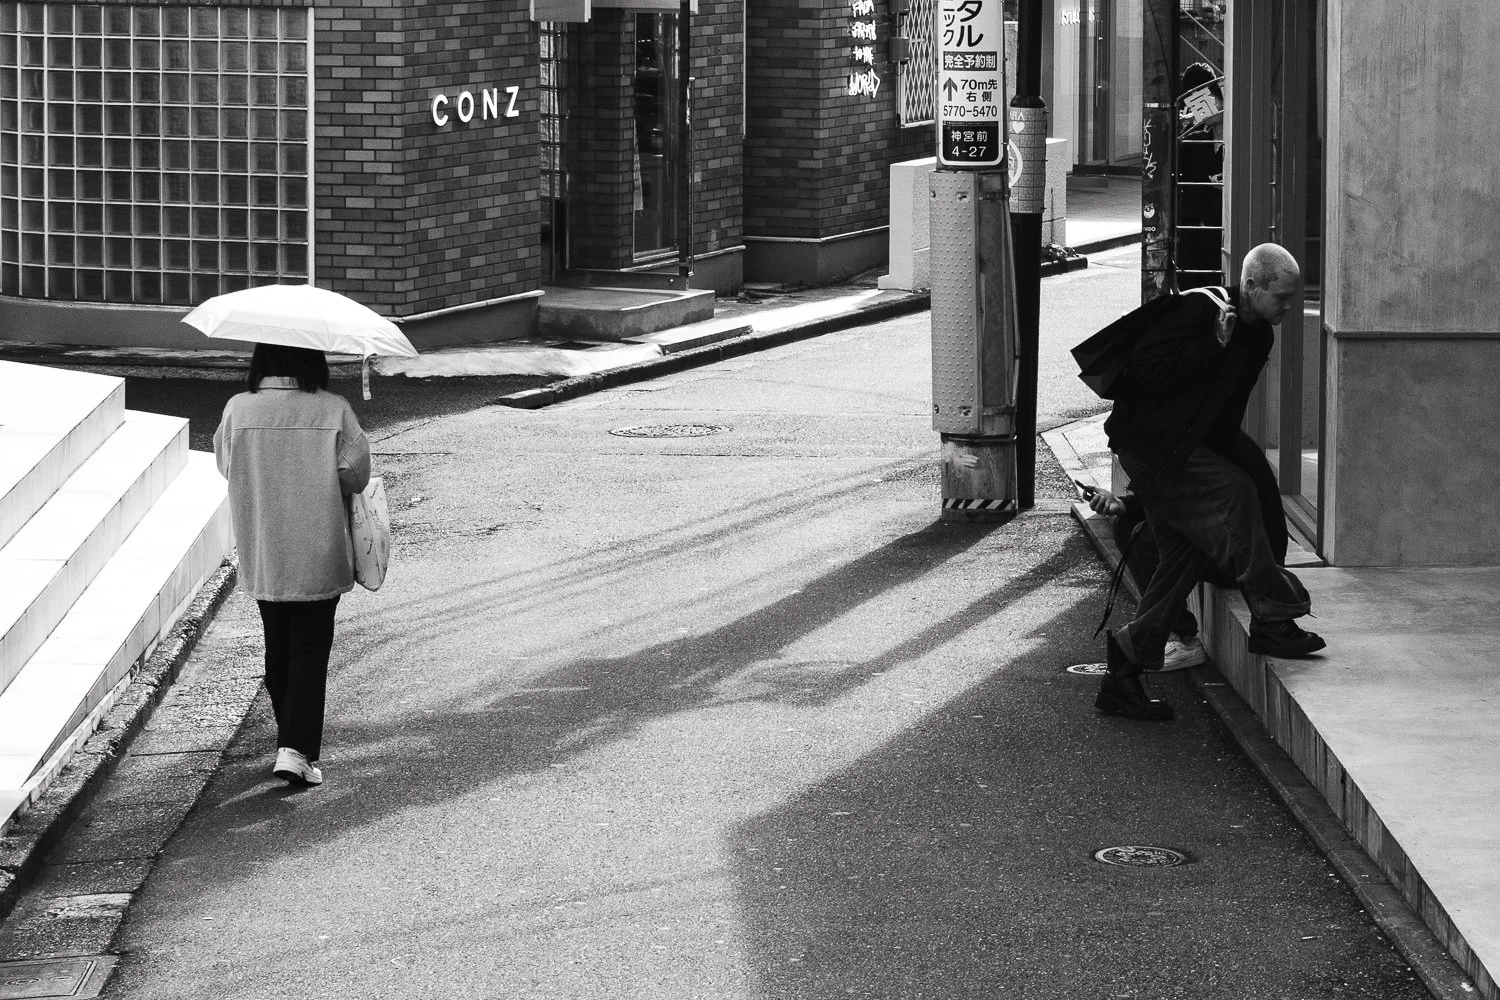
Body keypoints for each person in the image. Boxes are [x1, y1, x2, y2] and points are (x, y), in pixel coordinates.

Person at [1095, 244, 1324, 722]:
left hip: (1185, 448)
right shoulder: (1201, 309)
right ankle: (1272, 617)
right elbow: (1143, 374)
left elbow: (1226, 411)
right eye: (1281, 297)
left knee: (1184, 553)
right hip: (1148, 445)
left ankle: (1124, 668)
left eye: (1292, 298)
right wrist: (1208, 347)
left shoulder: (1260, 335)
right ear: (1253, 286)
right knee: (1233, 491)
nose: (1288, 308)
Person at [214, 344, 371, 786]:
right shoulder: (333, 410)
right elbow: (354, 476)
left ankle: (290, 738)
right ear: (312, 362)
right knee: (310, 647)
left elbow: (227, 466)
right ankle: (296, 748)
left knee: (278, 646)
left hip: (265, 548)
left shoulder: (238, 410)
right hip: (317, 547)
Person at [1084, 427, 1289, 673]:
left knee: (1159, 537)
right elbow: (1173, 496)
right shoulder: (1187, 431)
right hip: (1232, 541)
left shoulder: (1187, 442)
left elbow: (1187, 503)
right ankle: (1160, 636)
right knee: (1127, 525)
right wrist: (1123, 504)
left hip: (1250, 558)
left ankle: (1180, 640)